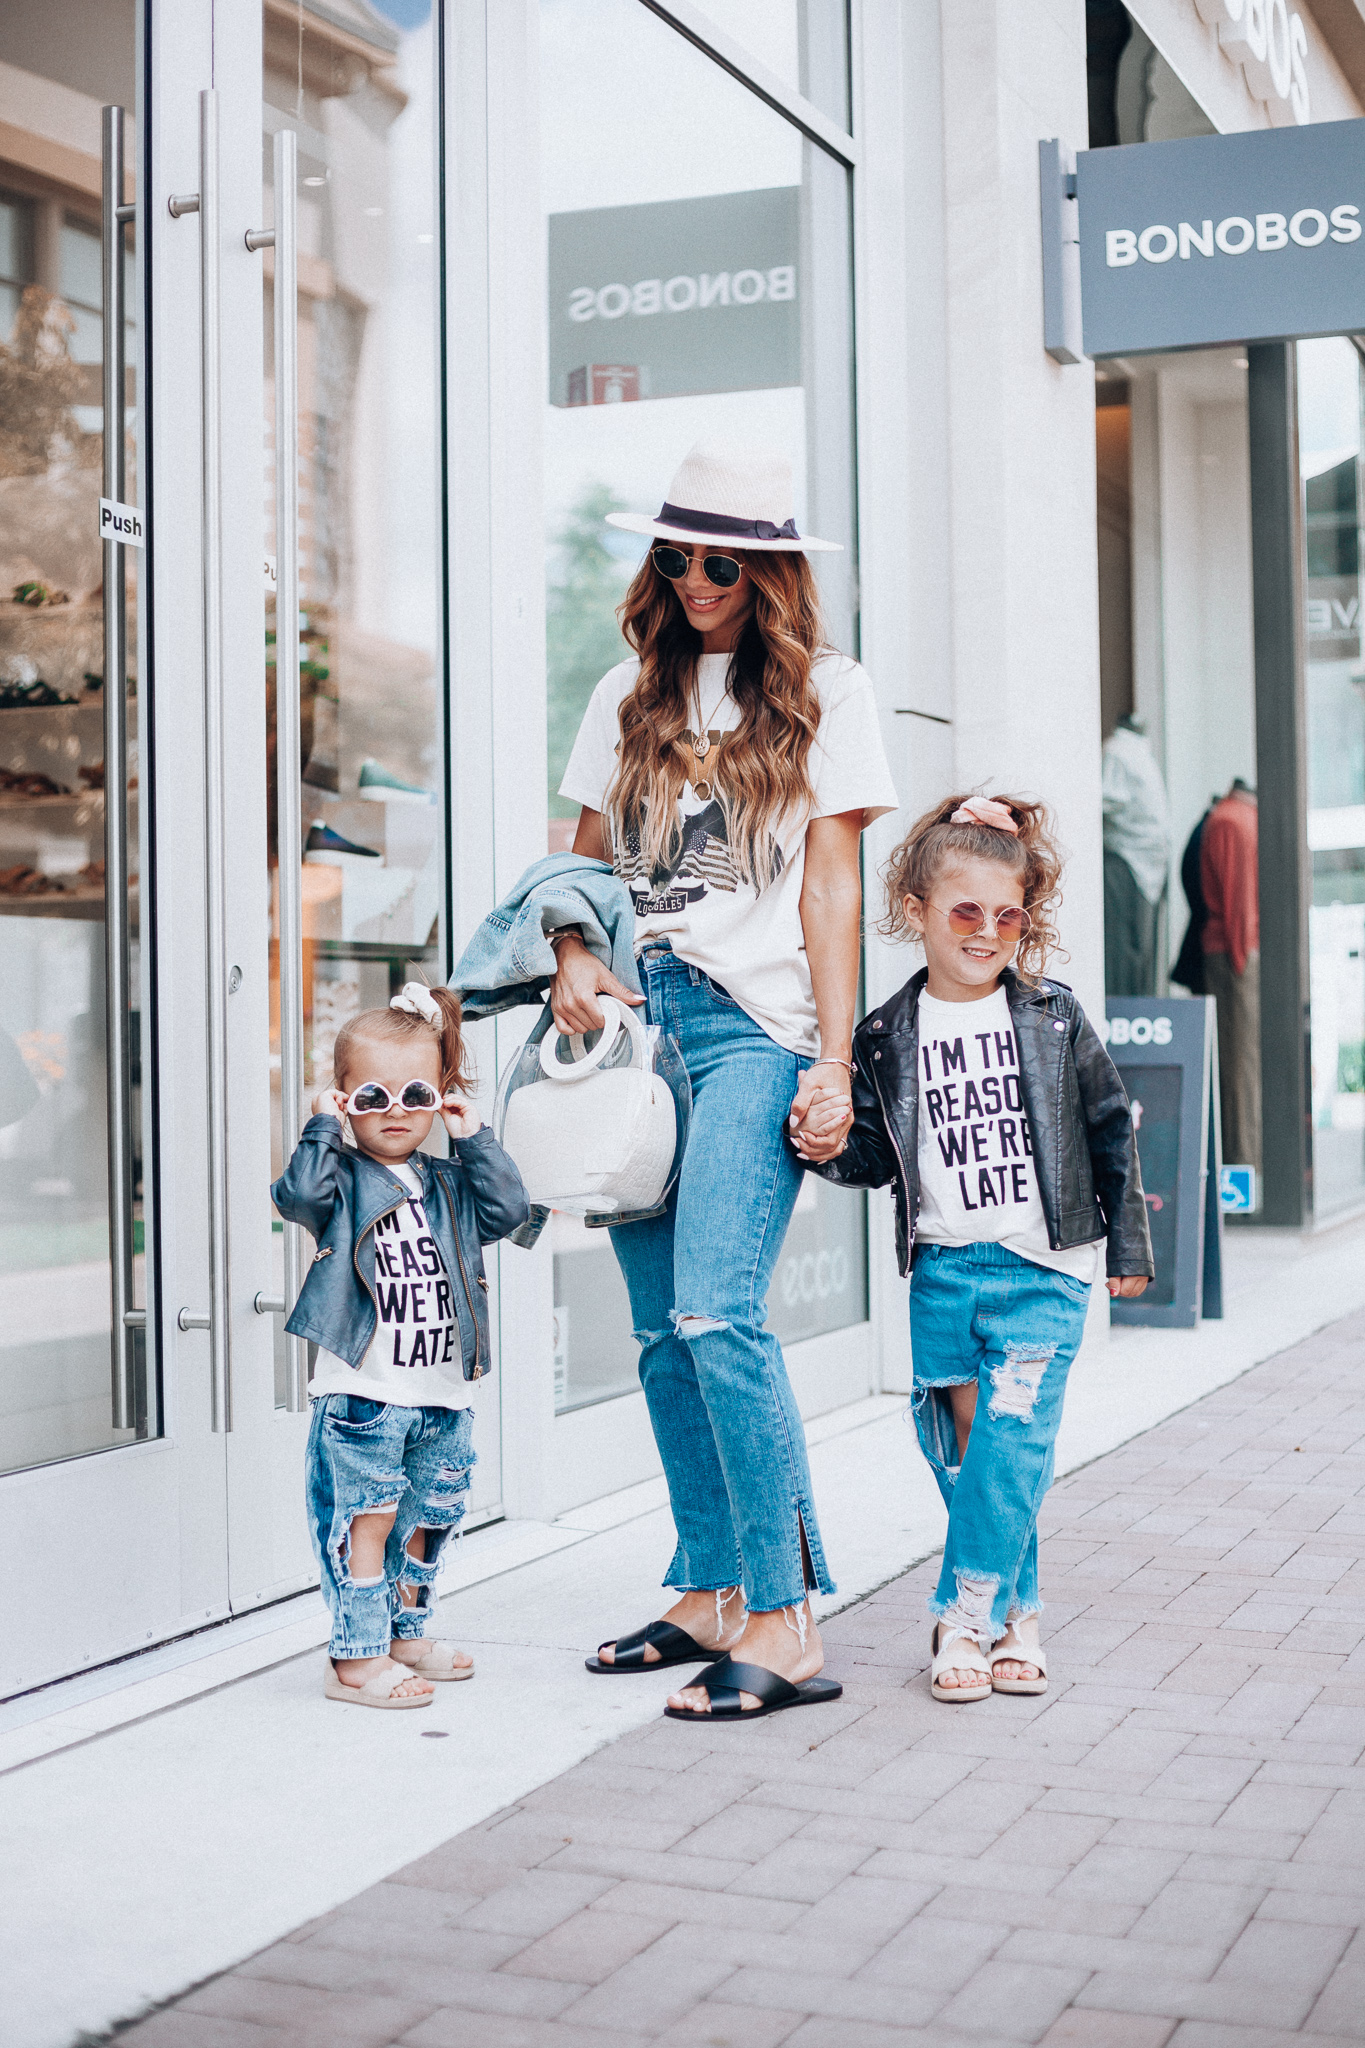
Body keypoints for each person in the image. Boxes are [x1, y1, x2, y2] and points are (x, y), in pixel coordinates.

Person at [550, 440, 899, 1721]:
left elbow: (830, 883)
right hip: (643, 1036)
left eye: (724, 558)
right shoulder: (623, 693)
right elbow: (572, 867)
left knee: (718, 1317)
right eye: (679, 555)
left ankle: (785, 1615)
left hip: (755, 1032)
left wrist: (834, 1057)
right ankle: (703, 1590)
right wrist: (576, 958)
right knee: (656, 1333)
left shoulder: (829, 691)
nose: (698, 579)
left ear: (769, 567)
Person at [805, 794, 1152, 1701]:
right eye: (965, 911)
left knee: (1010, 1446)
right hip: (944, 1272)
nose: (986, 931)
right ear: (915, 909)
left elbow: (1109, 1128)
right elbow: (879, 1159)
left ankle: (960, 1623)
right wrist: (824, 1142)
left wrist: (1126, 1246)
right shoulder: (880, 1036)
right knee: (978, 1462)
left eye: (1008, 916)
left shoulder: (1053, 1018)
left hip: (1043, 1267)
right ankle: (1020, 1622)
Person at [273, 983, 529, 1708]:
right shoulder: (342, 1180)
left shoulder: (447, 1182)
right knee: (368, 1523)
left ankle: (405, 1636)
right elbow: (296, 1196)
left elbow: (509, 1210)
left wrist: (472, 1133)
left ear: (439, 1098)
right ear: (343, 1099)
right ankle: (354, 1658)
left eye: (414, 1094)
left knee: (428, 1521)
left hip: (443, 1395)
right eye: (370, 1098)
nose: (394, 1112)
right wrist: (321, 1130)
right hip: (364, 1393)